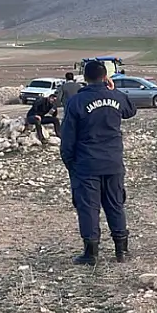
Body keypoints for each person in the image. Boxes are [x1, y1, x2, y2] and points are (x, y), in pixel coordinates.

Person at [60, 60, 138, 266]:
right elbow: (130, 110)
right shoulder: (115, 97)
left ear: (84, 78)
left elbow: (68, 137)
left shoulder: (76, 102)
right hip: (113, 162)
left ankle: (91, 253)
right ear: (105, 77)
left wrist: (70, 163)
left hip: (86, 165)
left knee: (88, 208)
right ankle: (121, 250)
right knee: (115, 206)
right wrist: (113, 90)